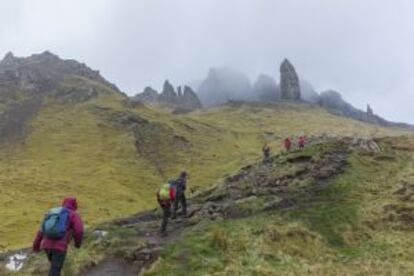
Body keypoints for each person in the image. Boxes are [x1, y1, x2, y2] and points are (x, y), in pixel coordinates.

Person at [33, 197, 83, 276]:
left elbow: (41, 230)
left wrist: (36, 246)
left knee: (55, 269)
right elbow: (79, 230)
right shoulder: (73, 214)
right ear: (75, 205)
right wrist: (77, 244)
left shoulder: (52, 212)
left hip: (46, 246)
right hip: (60, 247)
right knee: (55, 270)